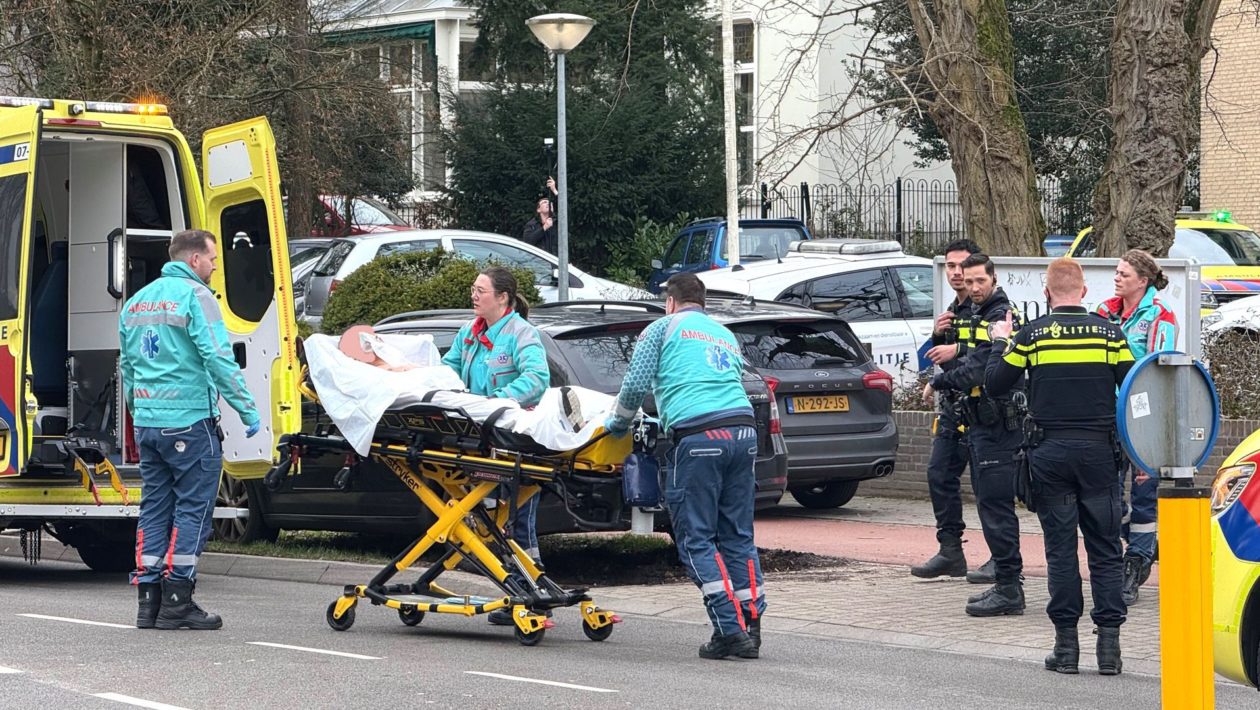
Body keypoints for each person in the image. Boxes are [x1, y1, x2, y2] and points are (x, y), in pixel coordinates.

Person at [986, 257, 1135, 676]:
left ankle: (1065, 648)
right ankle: (1110, 649)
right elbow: (1136, 385)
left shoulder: (1032, 335)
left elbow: (997, 384)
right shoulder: (1110, 333)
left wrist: (1001, 341)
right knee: (1106, 551)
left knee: (1061, 551)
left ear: (1047, 294)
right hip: (1100, 456)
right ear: (1084, 292)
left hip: (1049, 455)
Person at [605, 273, 765, 660]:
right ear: (703, 302)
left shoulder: (662, 328)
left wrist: (617, 425)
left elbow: (635, 385)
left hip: (698, 438)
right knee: (738, 534)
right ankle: (751, 626)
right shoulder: (724, 334)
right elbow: (742, 379)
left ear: (670, 302)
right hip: (744, 434)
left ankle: (729, 631)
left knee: (696, 539)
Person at [119, 229, 260, 631]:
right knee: (193, 512)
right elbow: (218, 357)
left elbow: (128, 368)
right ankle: (178, 600)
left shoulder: (136, 302)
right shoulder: (197, 297)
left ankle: (148, 602)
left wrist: (138, 412)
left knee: (154, 509)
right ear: (194, 259)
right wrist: (248, 411)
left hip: (148, 424)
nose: (216, 267)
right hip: (189, 424)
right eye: (213, 259)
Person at [441, 266, 549, 625]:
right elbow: (447, 372)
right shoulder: (469, 334)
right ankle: (519, 591)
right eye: (473, 289)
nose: (474, 295)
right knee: (492, 520)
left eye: (481, 290)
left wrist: (497, 403)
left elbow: (536, 379)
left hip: (516, 436)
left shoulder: (521, 333)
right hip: (480, 438)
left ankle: (531, 592)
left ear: (502, 298)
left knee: (519, 519)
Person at [923, 253, 1025, 616]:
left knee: (995, 500)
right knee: (964, 486)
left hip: (995, 418)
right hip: (969, 413)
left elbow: (981, 366)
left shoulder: (1001, 313)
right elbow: (958, 359)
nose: (974, 287)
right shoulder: (966, 310)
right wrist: (940, 339)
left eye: (981, 281)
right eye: (969, 281)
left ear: (993, 279)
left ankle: (1009, 581)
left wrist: (940, 379)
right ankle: (962, 556)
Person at [1096, 249, 1177, 605]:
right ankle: (1138, 549)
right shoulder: (1103, 311)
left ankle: (1137, 563)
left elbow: (1160, 366)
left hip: (1143, 415)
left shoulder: (1160, 315)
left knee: (1144, 497)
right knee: (1110, 495)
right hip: (1106, 414)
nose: (1117, 278)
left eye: (1124, 274)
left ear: (1142, 281)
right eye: (1116, 272)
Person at [911, 239, 989, 580]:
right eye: (951, 267)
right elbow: (931, 358)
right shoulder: (951, 312)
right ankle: (950, 550)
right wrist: (937, 334)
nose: (956, 274)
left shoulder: (986, 309)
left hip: (983, 410)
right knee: (939, 474)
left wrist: (953, 355)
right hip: (952, 410)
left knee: (989, 486)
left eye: (962, 267)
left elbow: (985, 357)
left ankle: (1001, 558)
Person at [520, 177, 558, 254]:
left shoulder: (558, 222)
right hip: (539, 263)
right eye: (544, 202)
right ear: (538, 209)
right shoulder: (532, 224)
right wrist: (544, 228)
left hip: (556, 262)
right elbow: (527, 242)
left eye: (549, 202)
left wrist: (554, 190)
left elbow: (566, 211)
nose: (548, 203)